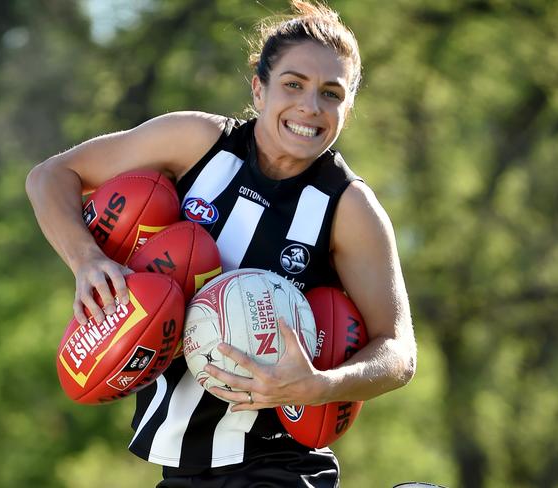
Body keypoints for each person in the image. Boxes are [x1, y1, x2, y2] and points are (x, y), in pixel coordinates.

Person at [26, 1, 417, 486]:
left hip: (280, 463)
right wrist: (86, 260)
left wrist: (319, 386)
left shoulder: (348, 208)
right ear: (259, 88)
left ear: (347, 108)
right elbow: (51, 177)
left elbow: (398, 352)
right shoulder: (194, 142)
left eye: (331, 93)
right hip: (182, 466)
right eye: (293, 84)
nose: (310, 107)